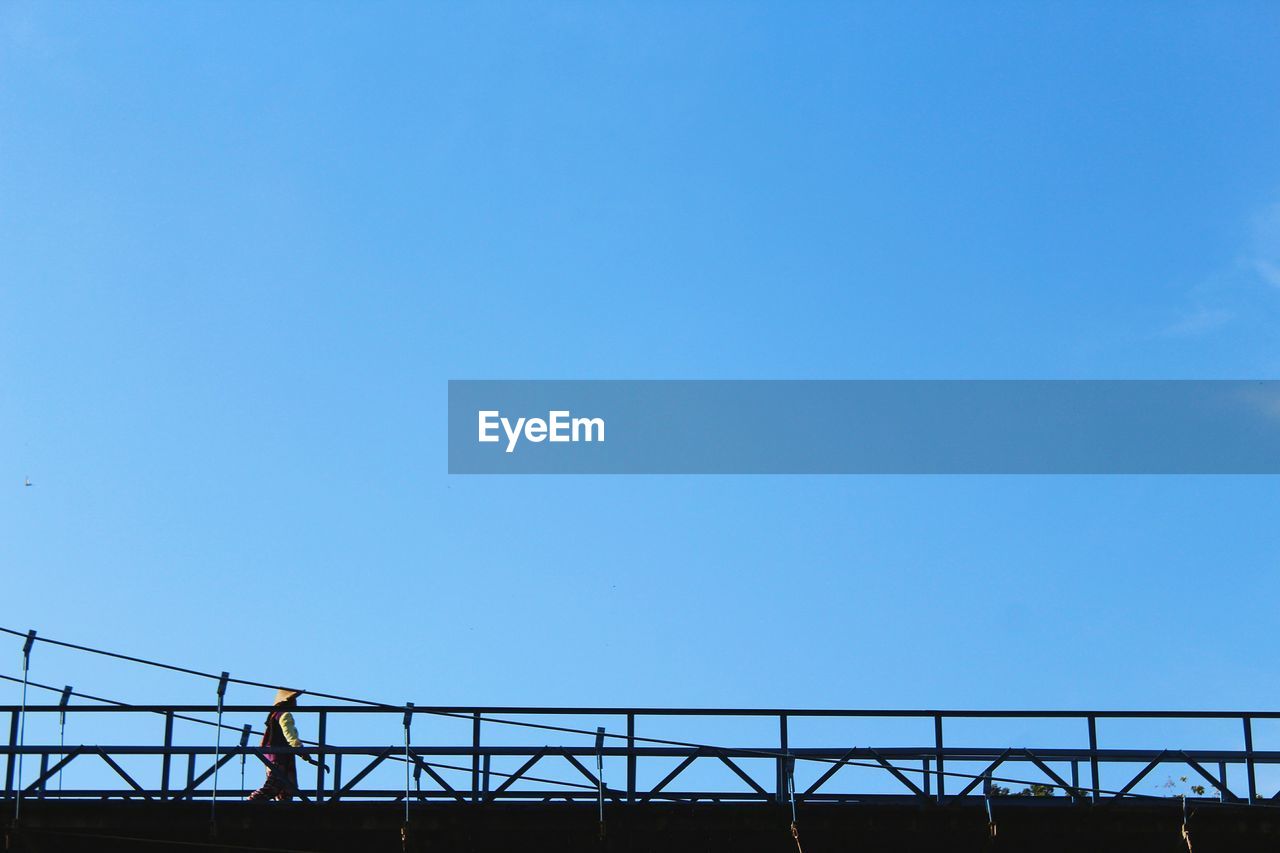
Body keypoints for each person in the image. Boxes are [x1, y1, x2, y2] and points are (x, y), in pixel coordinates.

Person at [248, 688, 326, 801]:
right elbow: (290, 735)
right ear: (287, 701)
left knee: (284, 788)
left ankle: (280, 811)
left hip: (274, 756)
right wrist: (300, 750)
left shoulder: (273, 716)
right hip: (279, 757)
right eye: (293, 699)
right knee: (274, 786)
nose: (296, 702)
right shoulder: (284, 715)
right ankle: (251, 802)